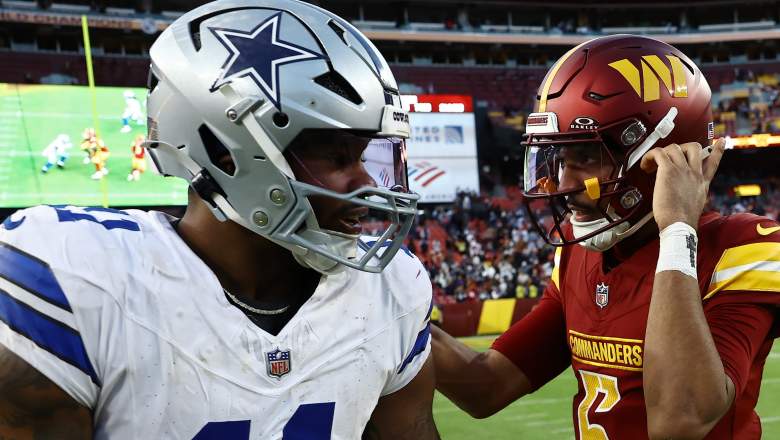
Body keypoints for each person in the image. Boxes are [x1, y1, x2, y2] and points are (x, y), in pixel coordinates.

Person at [0, 1, 439, 439]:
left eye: (364, 156)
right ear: (227, 155)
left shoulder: (389, 289)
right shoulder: (78, 278)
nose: (365, 183)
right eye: (336, 156)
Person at [432, 34, 780, 439]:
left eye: (584, 157)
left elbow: (680, 420)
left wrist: (677, 232)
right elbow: (487, 386)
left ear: (660, 155)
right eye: (560, 158)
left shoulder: (740, 250)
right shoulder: (579, 251)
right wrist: (393, 313)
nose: (563, 181)